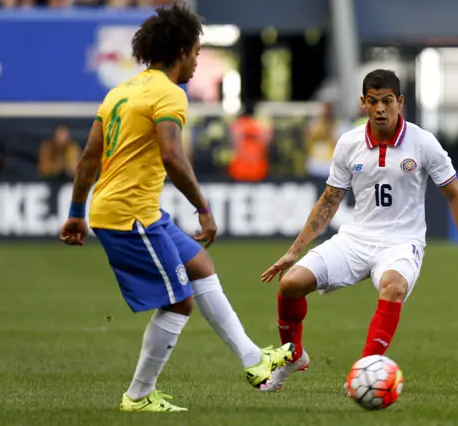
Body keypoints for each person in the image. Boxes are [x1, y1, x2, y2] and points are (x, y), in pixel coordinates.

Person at [59, 4, 293, 413]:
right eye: (197, 53)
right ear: (182, 51)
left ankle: (254, 361)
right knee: (179, 302)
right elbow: (172, 155)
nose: (197, 62)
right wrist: (202, 207)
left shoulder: (120, 91)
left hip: (130, 209)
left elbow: (87, 160)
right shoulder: (170, 94)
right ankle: (138, 396)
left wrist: (77, 211)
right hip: (130, 215)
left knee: (201, 265)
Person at [260, 69, 458, 392]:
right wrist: (294, 250)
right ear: (363, 103)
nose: (380, 108)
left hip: (402, 243)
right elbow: (329, 201)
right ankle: (293, 355)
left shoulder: (423, 143)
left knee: (393, 287)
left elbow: (454, 194)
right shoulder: (348, 143)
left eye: (387, 101)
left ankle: (364, 371)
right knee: (290, 284)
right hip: (355, 239)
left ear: (400, 102)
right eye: (373, 101)